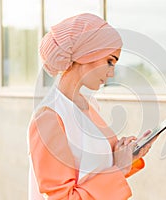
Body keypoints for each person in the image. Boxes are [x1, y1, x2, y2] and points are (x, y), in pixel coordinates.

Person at [27, 13, 156, 200]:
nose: (112, 73)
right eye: (110, 61)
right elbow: (63, 197)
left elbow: (93, 175)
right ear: (87, 54)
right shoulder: (48, 117)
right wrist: (118, 169)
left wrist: (127, 156)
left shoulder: (88, 105)